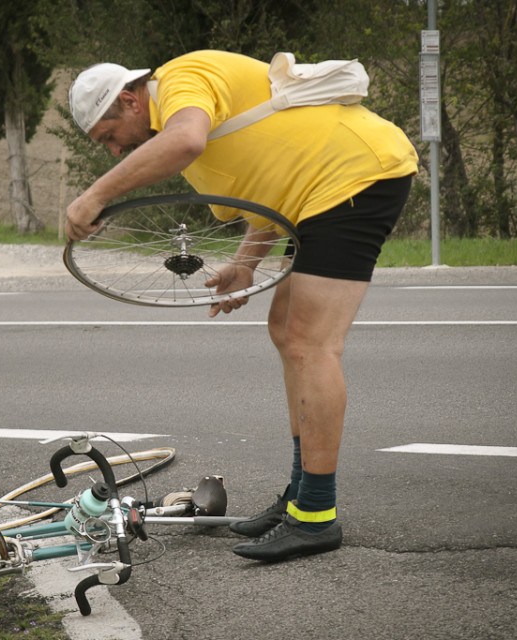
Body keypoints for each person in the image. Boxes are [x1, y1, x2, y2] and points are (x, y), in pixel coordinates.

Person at [66, 50, 418, 562]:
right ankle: (300, 497)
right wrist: (247, 262)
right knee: (284, 330)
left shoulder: (181, 82)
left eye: (109, 136)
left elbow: (184, 139)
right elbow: (271, 185)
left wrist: (92, 196)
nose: (115, 150)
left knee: (311, 342)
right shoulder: (191, 130)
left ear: (129, 99)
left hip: (355, 176)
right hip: (318, 192)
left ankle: (316, 515)